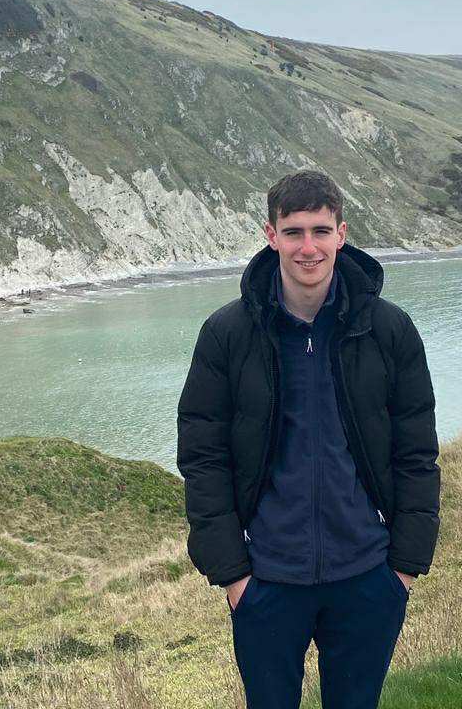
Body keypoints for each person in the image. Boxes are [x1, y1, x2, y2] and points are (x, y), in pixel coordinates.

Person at [176, 171, 440, 709]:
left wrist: (404, 568)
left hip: (369, 576)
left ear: (342, 234)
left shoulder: (390, 331)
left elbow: (416, 452)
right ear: (270, 235)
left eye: (321, 231)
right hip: (267, 580)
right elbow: (203, 457)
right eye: (293, 232)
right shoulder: (226, 335)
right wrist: (233, 574)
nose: (308, 247)